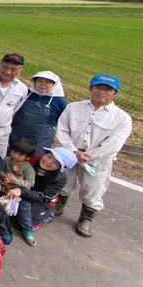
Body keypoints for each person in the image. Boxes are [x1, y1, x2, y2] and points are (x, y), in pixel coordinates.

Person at [56, 74, 133, 238]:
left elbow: (114, 143)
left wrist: (88, 156)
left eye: (108, 89)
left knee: (92, 190)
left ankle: (86, 217)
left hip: (97, 160)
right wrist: (73, 151)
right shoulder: (73, 108)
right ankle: (58, 205)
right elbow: (62, 130)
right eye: (98, 87)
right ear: (91, 88)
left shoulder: (122, 118)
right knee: (63, 181)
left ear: (115, 93)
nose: (102, 92)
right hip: (71, 154)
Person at [8, 147, 77, 246]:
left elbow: (44, 196)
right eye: (49, 156)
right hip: (21, 189)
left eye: (55, 163)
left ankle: (34, 224)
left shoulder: (59, 179)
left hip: (38, 199)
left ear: (61, 168)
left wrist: (21, 191)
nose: (48, 162)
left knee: (21, 223)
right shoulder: (33, 160)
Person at [9, 71, 67, 156]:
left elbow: (66, 121)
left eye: (48, 82)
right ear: (34, 82)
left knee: (34, 162)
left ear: (55, 84)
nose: (43, 84)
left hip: (42, 140)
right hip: (17, 134)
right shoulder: (25, 93)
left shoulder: (59, 102)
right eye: (39, 81)